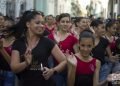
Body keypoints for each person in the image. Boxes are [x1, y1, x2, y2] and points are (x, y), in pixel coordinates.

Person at [10, 10, 66, 86]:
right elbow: (14, 68)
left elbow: (64, 61)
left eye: (43, 23)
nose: (42, 26)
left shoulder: (48, 42)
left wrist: (52, 71)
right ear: (28, 24)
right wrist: (26, 63)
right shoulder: (18, 43)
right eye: (37, 23)